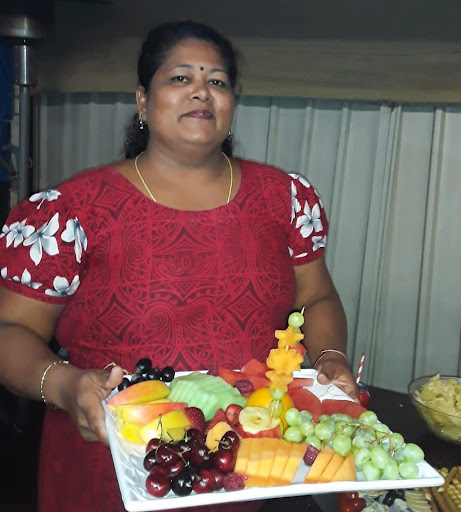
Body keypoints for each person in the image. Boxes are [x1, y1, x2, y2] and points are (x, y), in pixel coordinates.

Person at [0, 20, 358, 512]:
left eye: (217, 81)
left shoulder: (286, 200)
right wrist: (64, 384)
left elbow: (316, 295)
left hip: (249, 467)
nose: (201, 92)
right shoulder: (70, 213)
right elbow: (11, 330)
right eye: (180, 78)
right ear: (143, 100)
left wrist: (331, 358)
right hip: (111, 469)